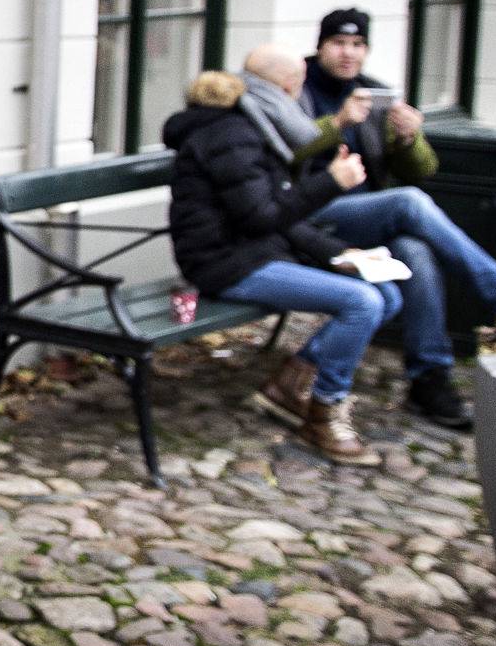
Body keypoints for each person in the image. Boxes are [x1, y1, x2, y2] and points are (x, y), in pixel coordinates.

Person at [289, 11, 496, 428]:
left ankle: (429, 377)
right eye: (338, 43)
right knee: (408, 203)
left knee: (414, 251)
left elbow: (421, 170)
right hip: (306, 216)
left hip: (365, 217)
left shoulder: (374, 94)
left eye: (357, 45)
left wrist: (410, 137)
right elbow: (281, 150)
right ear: (320, 46)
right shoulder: (297, 88)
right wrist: (337, 124)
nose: (348, 53)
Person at [165, 69, 398, 466]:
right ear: (285, 89)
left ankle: (292, 382)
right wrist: (330, 183)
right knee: (362, 302)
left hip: (256, 252)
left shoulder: (253, 131)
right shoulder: (230, 137)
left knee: (386, 292)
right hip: (224, 264)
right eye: (297, 85)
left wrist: (339, 254)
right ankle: (324, 413)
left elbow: (278, 216)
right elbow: (262, 216)